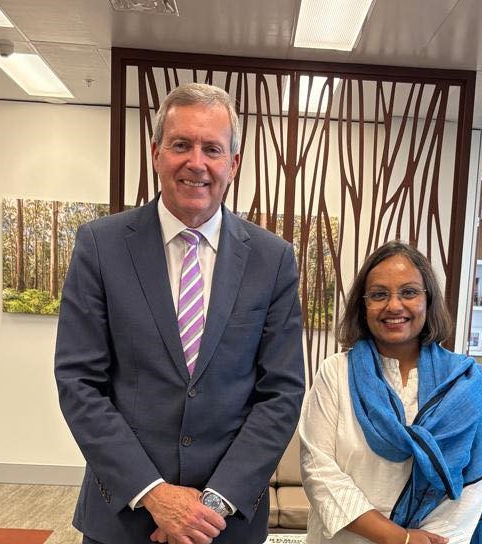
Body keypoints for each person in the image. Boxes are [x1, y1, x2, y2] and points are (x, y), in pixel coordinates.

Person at [55, 82, 305, 544]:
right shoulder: (101, 246)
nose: (196, 162)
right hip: (124, 519)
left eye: (212, 148)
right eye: (181, 145)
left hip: (225, 524)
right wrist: (154, 494)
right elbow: (79, 383)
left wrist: (212, 504)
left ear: (233, 163)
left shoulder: (272, 260)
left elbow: (282, 393)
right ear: (156, 153)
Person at [298, 242, 482, 544]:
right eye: (379, 295)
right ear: (363, 306)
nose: (394, 306)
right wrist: (398, 538)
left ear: (429, 300)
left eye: (409, 292)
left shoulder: (463, 382)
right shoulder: (335, 372)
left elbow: (474, 478)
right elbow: (318, 469)